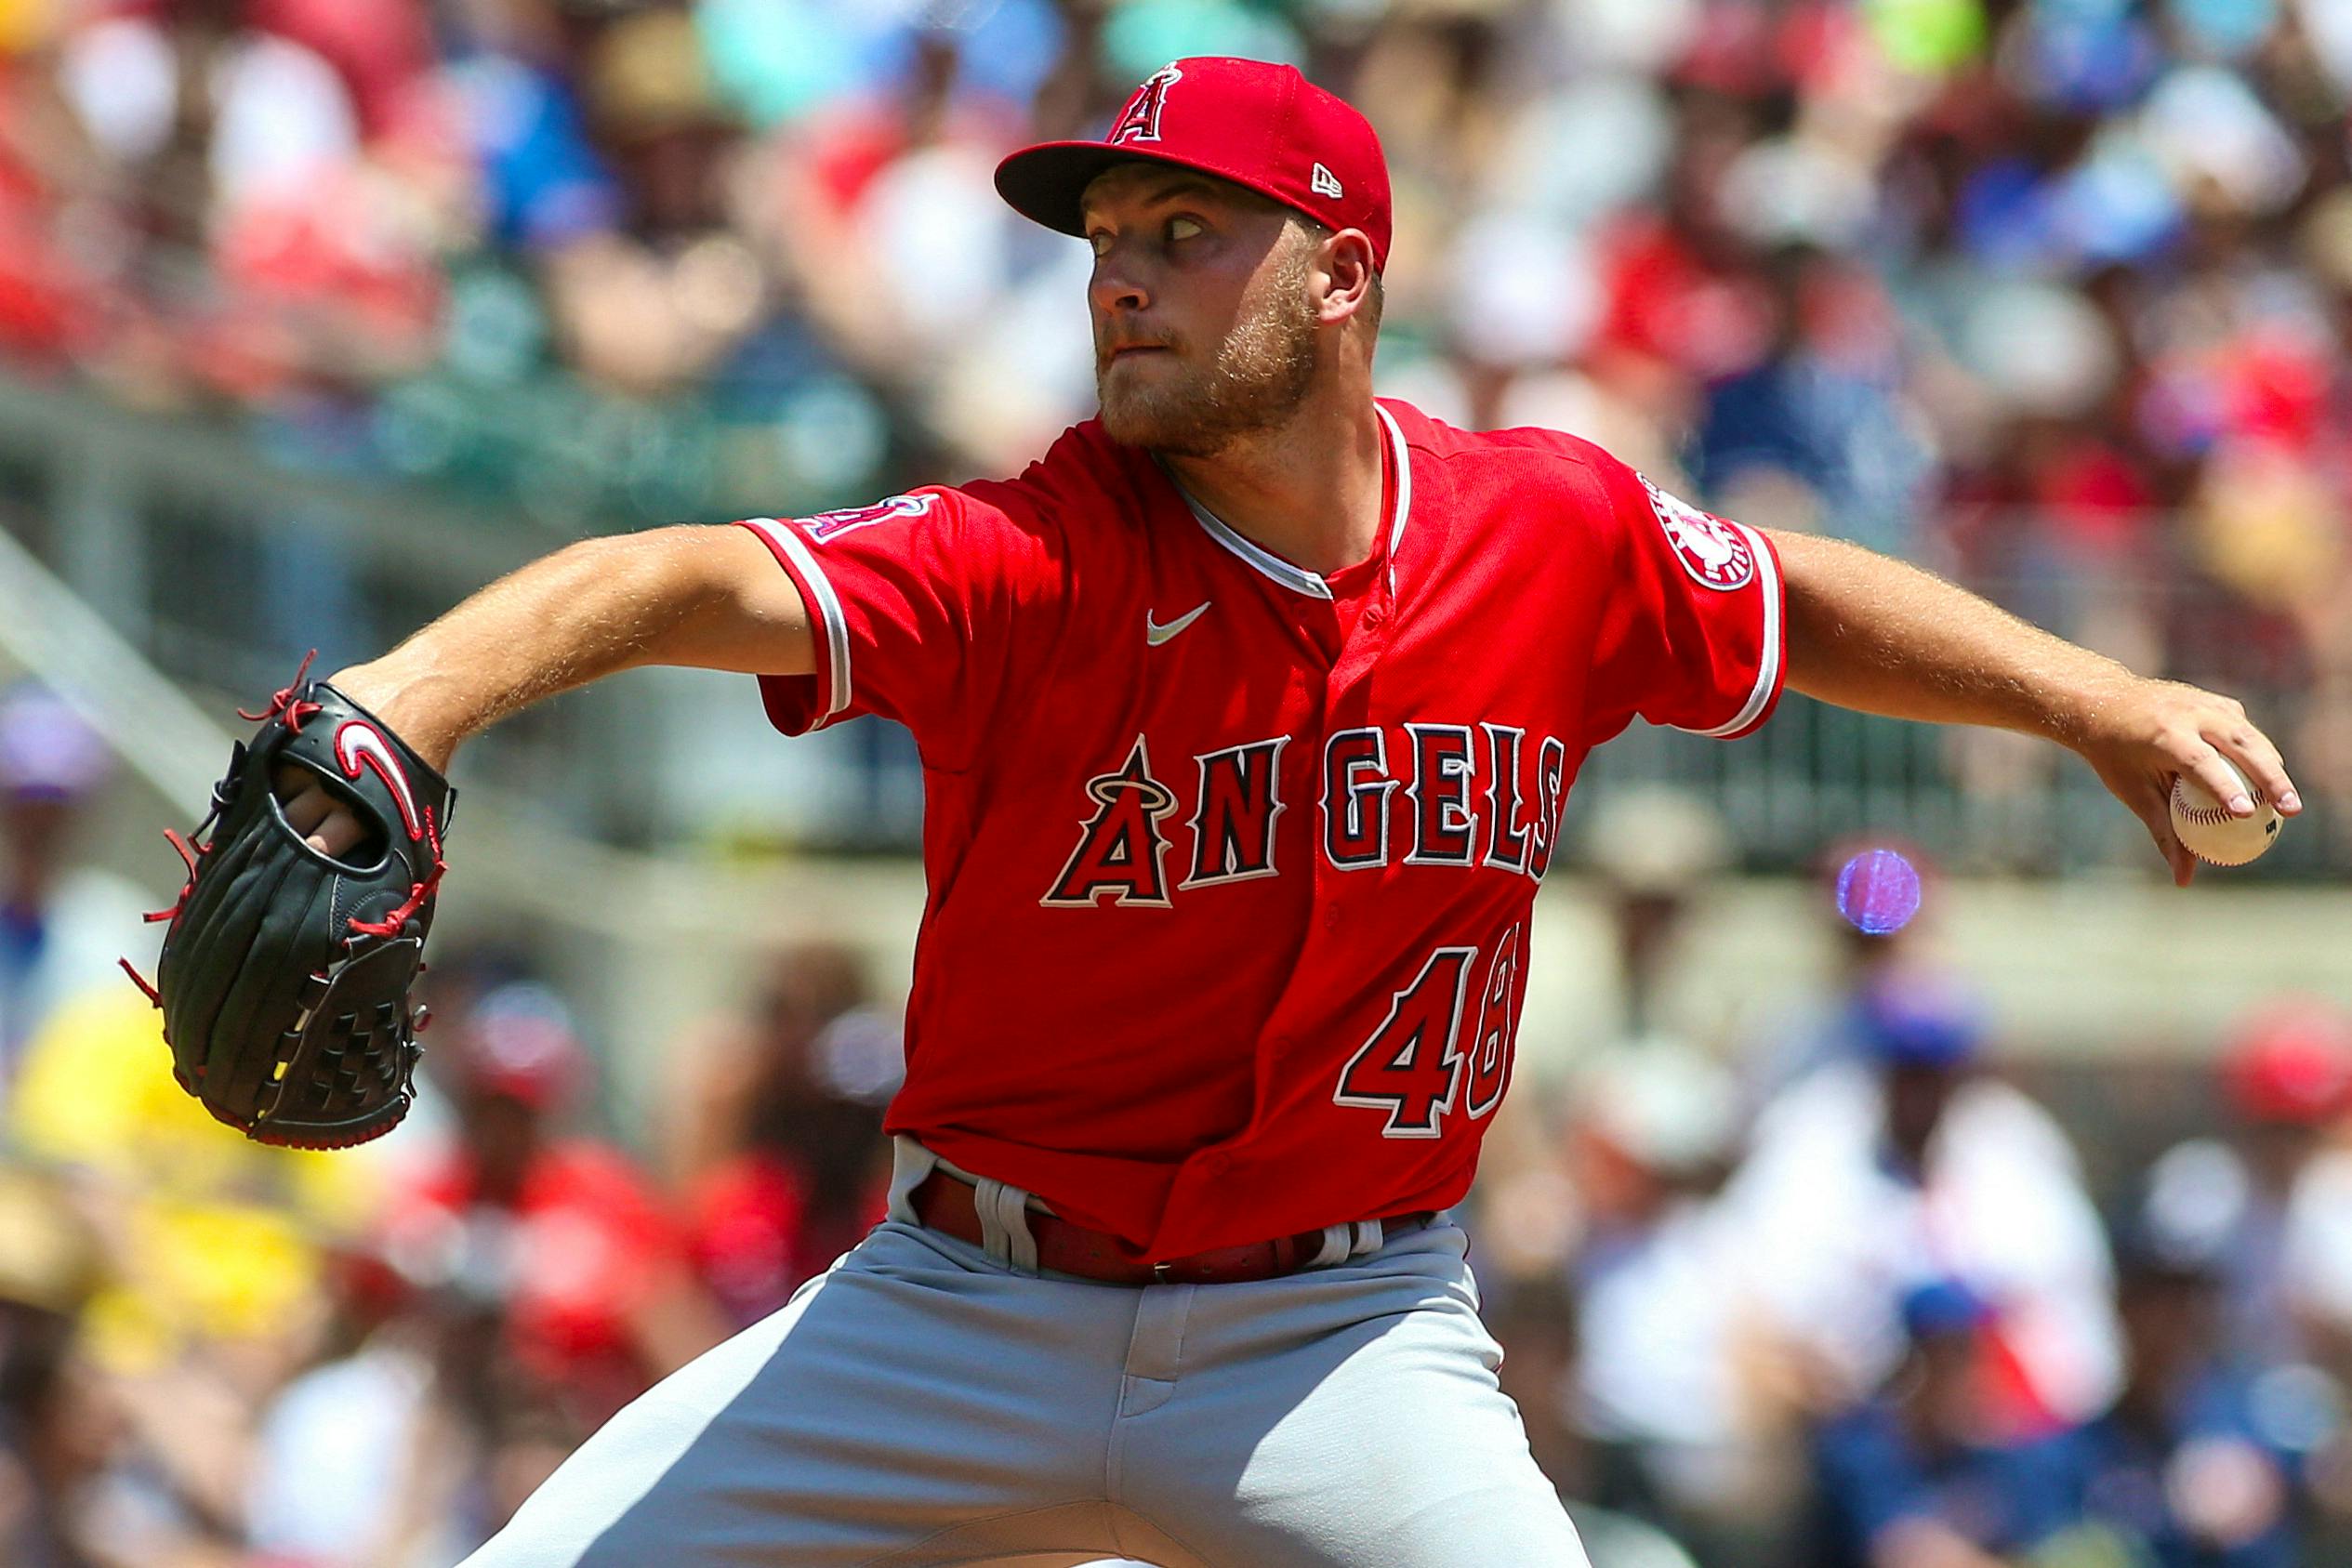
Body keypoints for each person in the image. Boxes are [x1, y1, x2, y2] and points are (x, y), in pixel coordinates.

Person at [265, 55, 2301, 1568]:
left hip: (1337, 1341)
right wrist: (409, 698)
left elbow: (1794, 594)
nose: (1117, 286)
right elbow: (692, 575)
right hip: (959, 1311)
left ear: (1336, 275)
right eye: (1102, 248)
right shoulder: (1034, 550)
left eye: (1180, 237)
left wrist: (2096, 698)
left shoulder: (1546, 526)